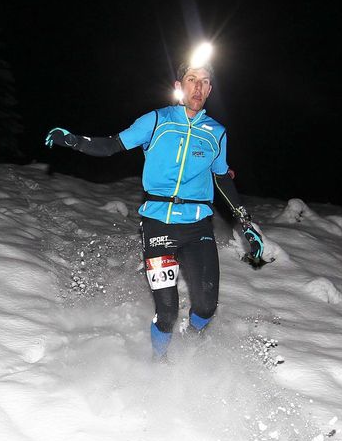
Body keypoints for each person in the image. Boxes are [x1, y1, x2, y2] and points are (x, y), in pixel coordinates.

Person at [45, 56, 266, 359]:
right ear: (179, 86)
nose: (198, 87)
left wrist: (245, 223)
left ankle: (192, 339)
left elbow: (222, 178)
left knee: (206, 305)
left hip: (197, 225)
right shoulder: (157, 120)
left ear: (210, 89)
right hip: (158, 224)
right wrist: (73, 140)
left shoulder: (216, 133)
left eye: (204, 82)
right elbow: (112, 144)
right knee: (167, 312)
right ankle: (159, 360)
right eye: (192, 80)